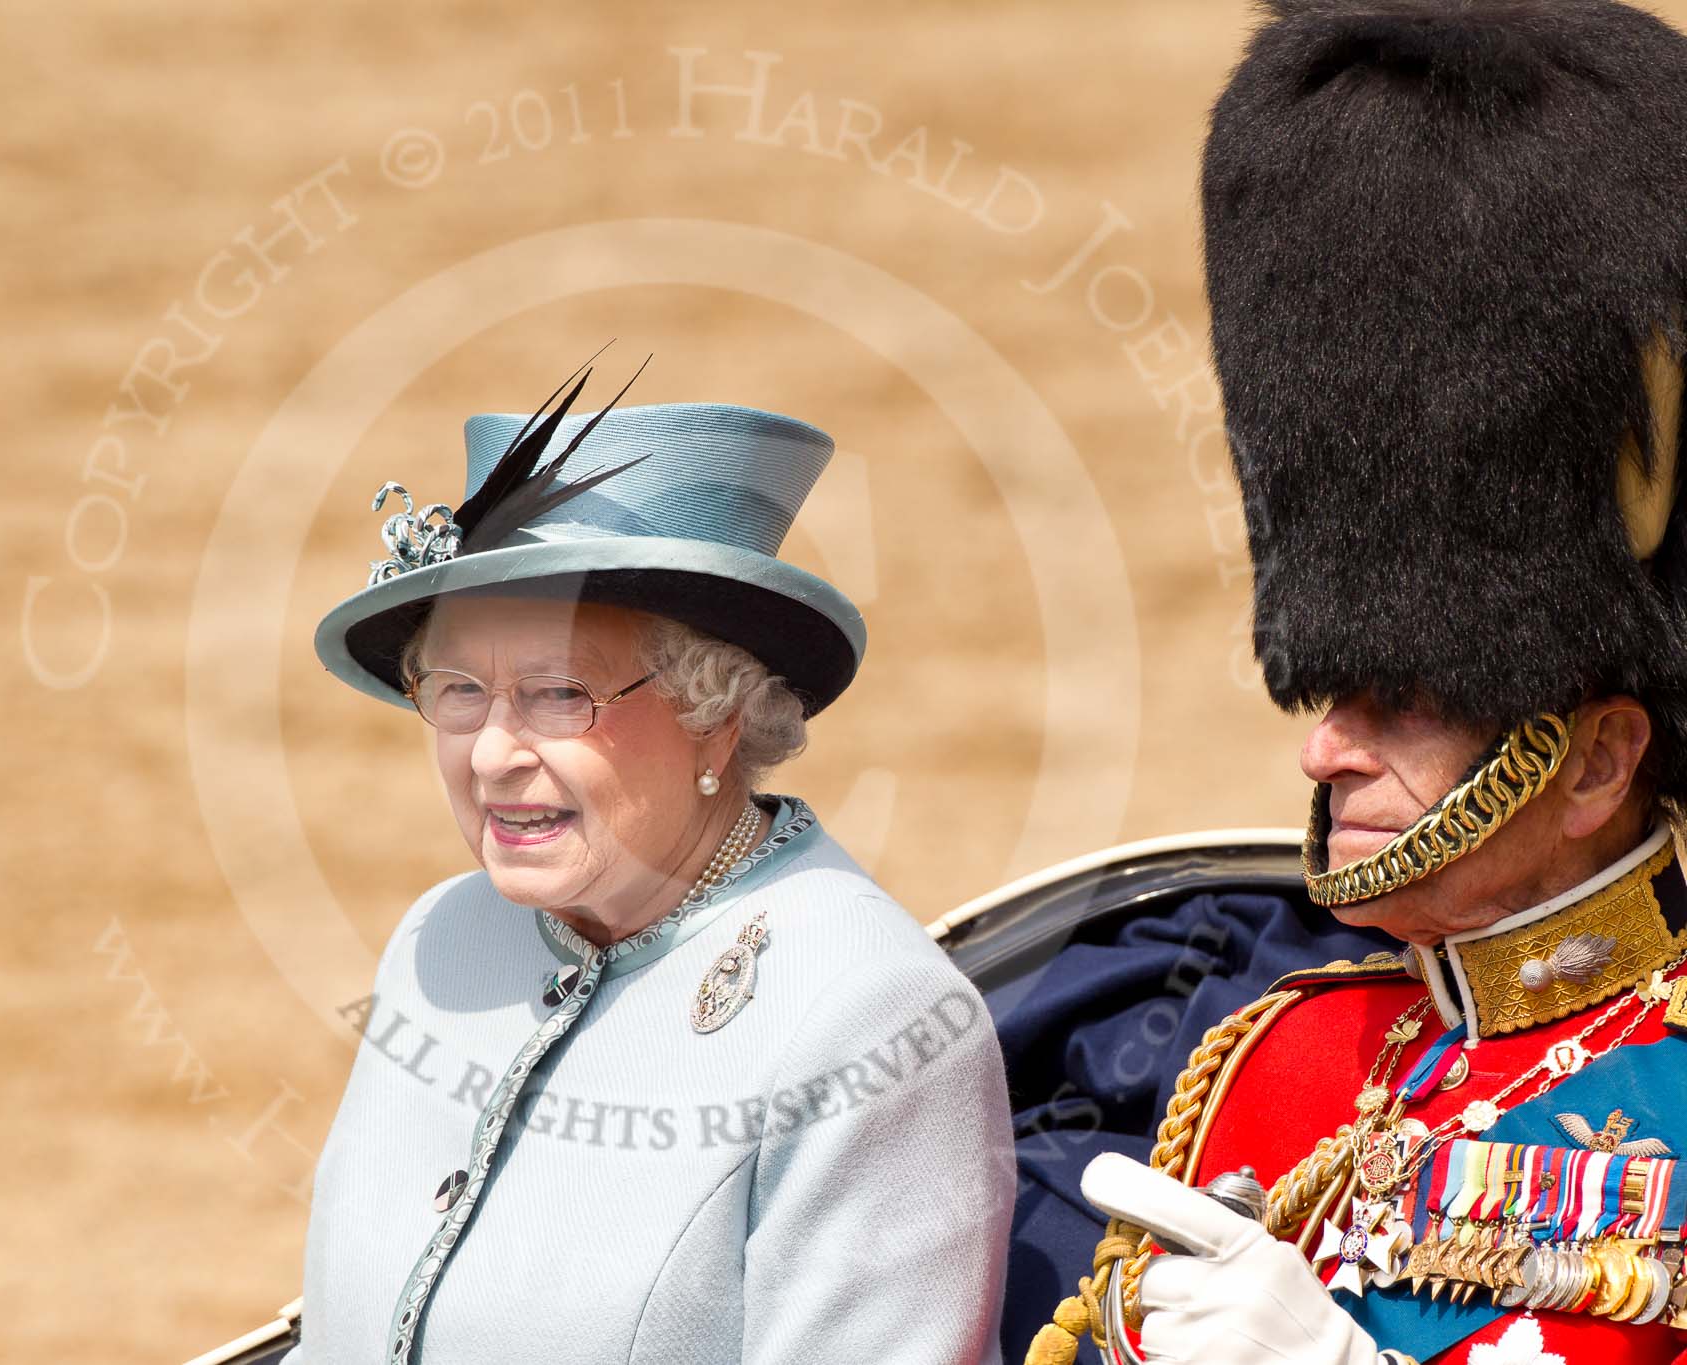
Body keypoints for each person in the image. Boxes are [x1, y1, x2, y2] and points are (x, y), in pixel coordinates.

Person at [1021, 2, 1687, 1362]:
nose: (1324, 754)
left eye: (1405, 705)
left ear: (1599, 757)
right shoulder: (1272, 1062)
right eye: (1333, 698)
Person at [286, 355, 1014, 1364]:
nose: (492, 754)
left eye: (557, 694)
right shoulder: (443, 939)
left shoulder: (863, 1016)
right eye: (457, 689)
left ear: (716, 714)